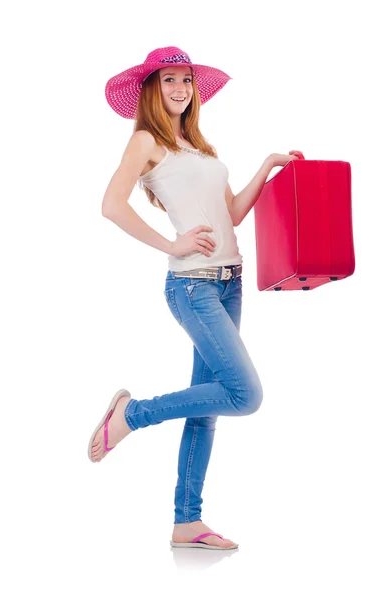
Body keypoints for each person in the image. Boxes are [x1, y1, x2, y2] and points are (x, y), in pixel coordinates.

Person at [88, 46, 302, 550]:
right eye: (168, 80)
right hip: (192, 284)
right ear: (151, 89)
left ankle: (187, 521)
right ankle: (131, 414)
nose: (180, 88)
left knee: (210, 407)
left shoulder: (200, 147)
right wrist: (171, 243)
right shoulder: (146, 141)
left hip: (230, 282)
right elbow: (109, 205)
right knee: (245, 396)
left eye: (186, 80)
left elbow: (233, 214)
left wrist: (267, 166)